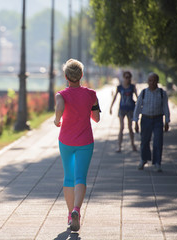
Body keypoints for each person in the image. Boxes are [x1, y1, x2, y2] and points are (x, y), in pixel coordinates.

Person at [54, 59, 100, 232]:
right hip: (85, 141)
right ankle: (76, 211)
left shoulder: (61, 95)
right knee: (80, 177)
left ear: (66, 76)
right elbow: (96, 118)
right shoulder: (91, 94)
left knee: (68, 177)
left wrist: (57, 119)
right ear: (81, 75)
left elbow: (59, 107)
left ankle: (69, 214)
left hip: (65, 141)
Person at [133, 73, 170, 172]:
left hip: (158, 119)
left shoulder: (162, 93)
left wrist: (167, 121)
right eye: (150, 80)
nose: (152, 82)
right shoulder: (144, 92)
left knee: (158, 141)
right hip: (146, 119)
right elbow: (138, 107)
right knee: (144, 141)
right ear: (147, 81)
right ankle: (144, 159)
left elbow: (165, 107)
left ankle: (157, 162)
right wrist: (135, 121)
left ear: (157, 81)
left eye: (154, 80)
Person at [109, 71, 138, 152]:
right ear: (123, 77)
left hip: (130, 109)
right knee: (121, 127)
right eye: (126, 77)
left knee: (130, 128)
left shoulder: (132, 87)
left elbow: (137, 97)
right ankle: (119, 146)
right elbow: (115, 97)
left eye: (129, 77)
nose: (127, 79)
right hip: (122, 109)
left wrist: (140, 107)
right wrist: (111, 107)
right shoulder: (119, 87)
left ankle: (133, 144)